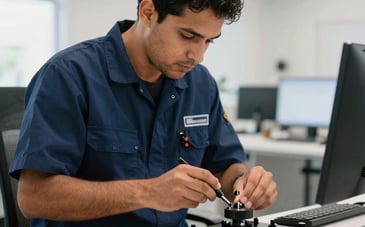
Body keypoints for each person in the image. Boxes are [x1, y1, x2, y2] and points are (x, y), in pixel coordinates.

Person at [9, 0, 277, 226]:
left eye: (209, 41)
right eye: (188, 36)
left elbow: (225, 166)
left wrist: (245, 183)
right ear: (148, 12)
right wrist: (148, 192)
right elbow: (34, 198)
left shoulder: (200, 84)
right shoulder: (68, 75)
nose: (197, 55)